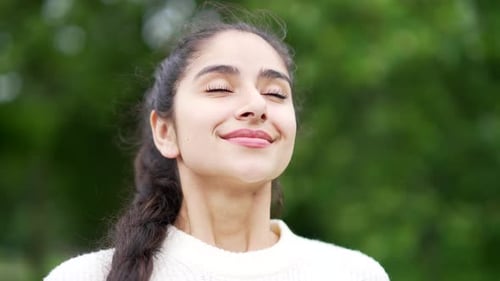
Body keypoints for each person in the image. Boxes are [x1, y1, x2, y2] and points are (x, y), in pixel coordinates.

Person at [44, 16, 390, 281]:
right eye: (220, 88)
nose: (257, 105)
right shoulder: (85, 277)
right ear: (165, 131)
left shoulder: (353, 273)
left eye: (275, 93)